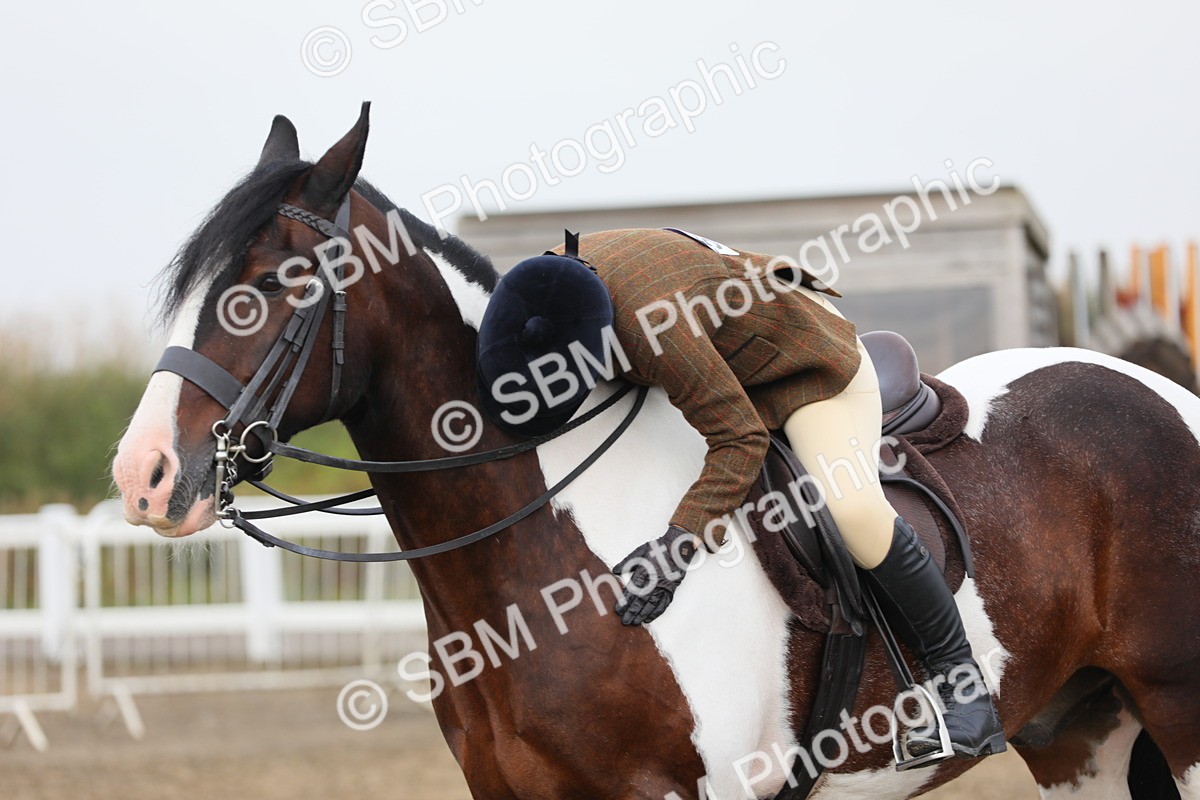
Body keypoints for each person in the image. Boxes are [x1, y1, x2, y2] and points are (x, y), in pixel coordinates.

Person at [475, 228, 1006, 760]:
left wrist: (678, 544)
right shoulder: (537, 290)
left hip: (804, 367)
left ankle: (964, 688)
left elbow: (740, 438)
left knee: (850, 509)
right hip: (713, 343)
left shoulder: (652, 326)